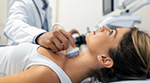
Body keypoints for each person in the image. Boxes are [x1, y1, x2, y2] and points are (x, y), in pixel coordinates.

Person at [0, 26, 150, 83]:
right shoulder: (64, 58)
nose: (104, 27)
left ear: (105, 59)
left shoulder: (47, 75)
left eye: (111, 32)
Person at [3, 0, 79, 52]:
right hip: (19, 62)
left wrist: (61, 38)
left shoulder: (47, 7)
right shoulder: (22, 2)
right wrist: (40, 36)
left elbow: (47, 37)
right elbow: (12, 26)